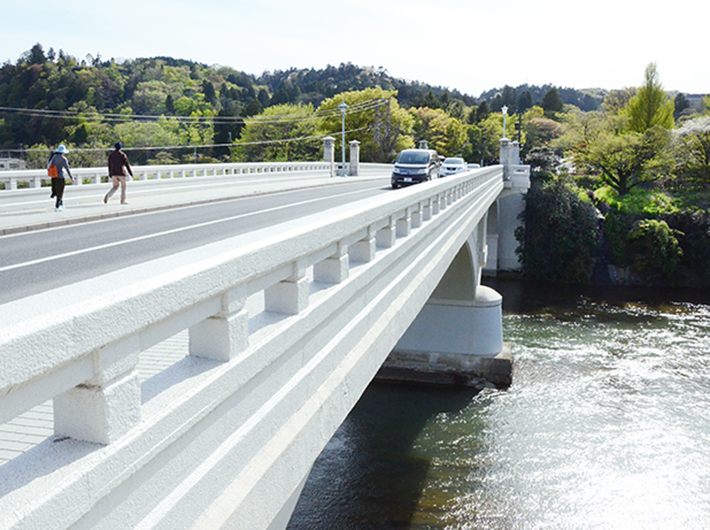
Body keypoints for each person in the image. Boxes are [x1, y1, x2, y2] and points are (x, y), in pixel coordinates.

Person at [47, 144, 73, 211]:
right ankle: (57, 206)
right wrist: (71, 177)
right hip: (60, 177)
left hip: (54, 176)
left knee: (56, 190)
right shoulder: (63, 159)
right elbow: (67, 169)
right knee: (60, 192)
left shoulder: (53, 157)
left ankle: (61, 204)